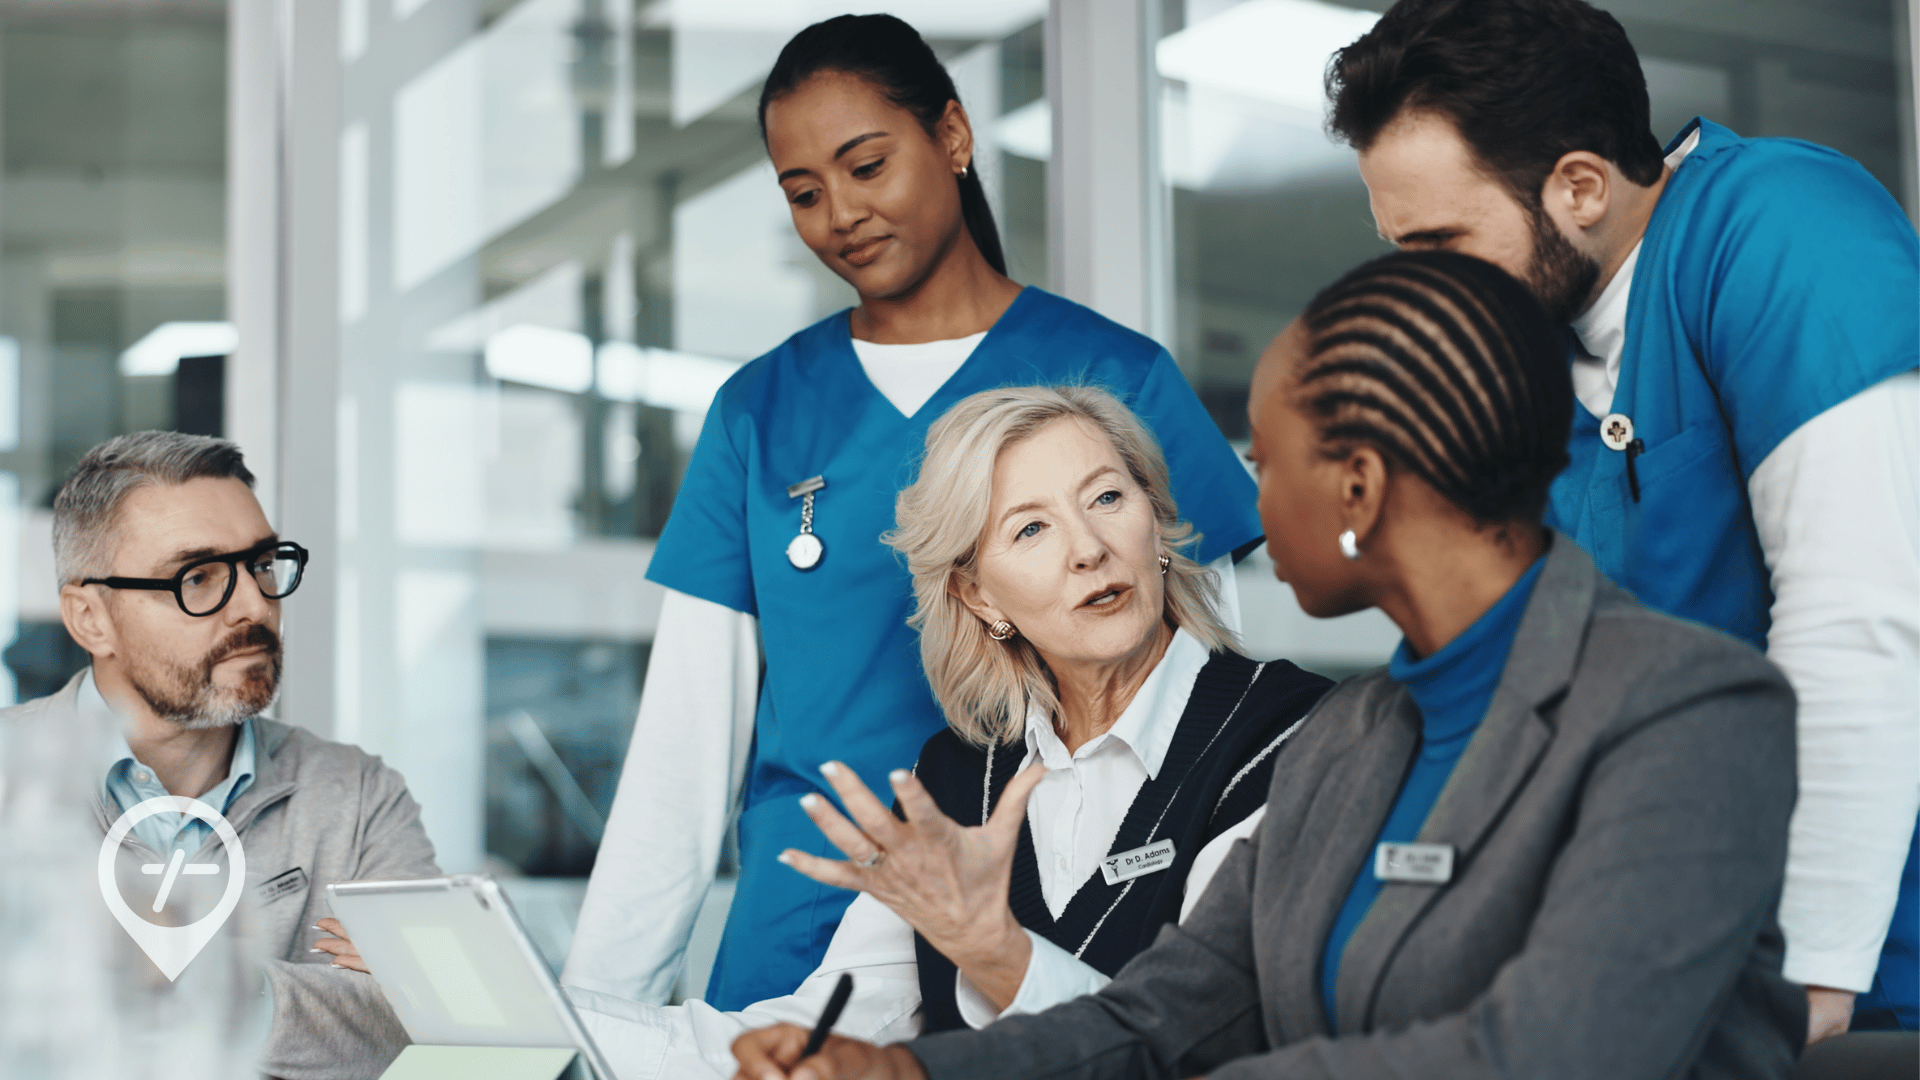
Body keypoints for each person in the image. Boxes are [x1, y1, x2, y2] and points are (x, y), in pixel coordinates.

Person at [731, 250, 1805, 1080]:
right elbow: (1159, 1019)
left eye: (1267, 453)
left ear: (1360, 489)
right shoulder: (1352, 738)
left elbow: (1549, 1055)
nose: (1240, 494)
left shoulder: (1688, 708)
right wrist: (904, 1066)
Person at [565, 15, 1263, 1012]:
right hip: (804, 919)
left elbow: (1207, 704)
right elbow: (681, 753)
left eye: (866, 166)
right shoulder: (759, 412)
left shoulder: (1116, 376)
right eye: (805, 193)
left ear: (954, 137)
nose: (840, 212)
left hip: (1043, 911)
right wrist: (592, 1016)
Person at [1322, 0, 1919, 1040]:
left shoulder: (1784, 229)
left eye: (1442, 240)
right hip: (1677, 964)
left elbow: (1862, 617)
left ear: (1581, 186)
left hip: (1868, 970)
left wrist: (1810, 992)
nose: (1422, 284)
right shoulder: (1521, 356)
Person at [564, 386, 1327, 1078]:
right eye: (1031, 529)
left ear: (1156, 523)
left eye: (1106, 497)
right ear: (979, 595)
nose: (1089, 548)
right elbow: (841, 1016)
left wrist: (993, 949)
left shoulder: (1289, 738)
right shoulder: (959, 778)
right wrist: (551, 1033)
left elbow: (1201, 1053)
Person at [4, 432, 441, 1079]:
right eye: (198, 576)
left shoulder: (358, 796)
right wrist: (299, 1001)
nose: (255, 605)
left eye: (263, 564)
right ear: (91, 619)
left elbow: (427, 1020)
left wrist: (169, 973)